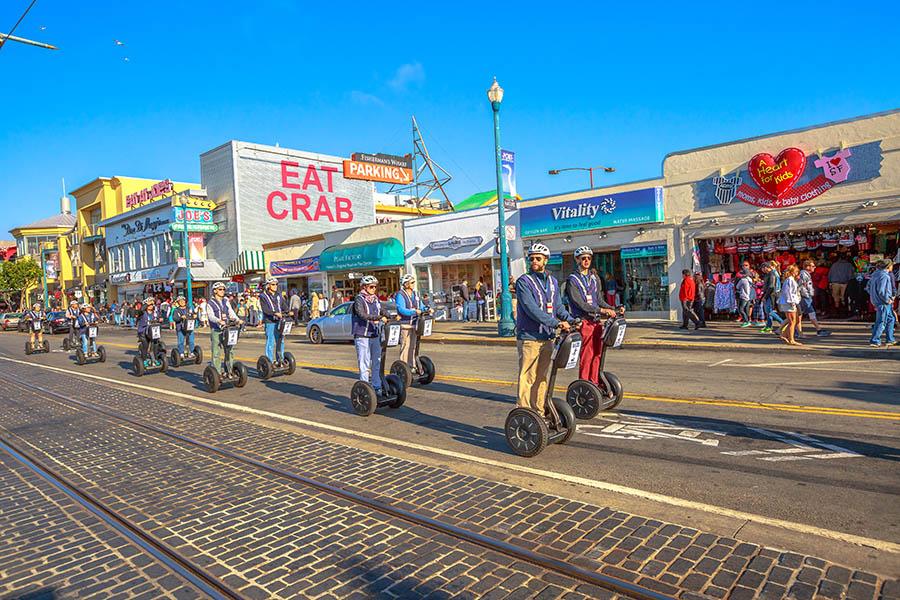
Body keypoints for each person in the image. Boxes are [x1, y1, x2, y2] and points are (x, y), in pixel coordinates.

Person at [515, 243, 572, 415]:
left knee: (542, 377)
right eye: (531, 258)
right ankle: (524, 413)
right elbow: (531, 309)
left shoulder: (553, 282)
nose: (534, 261)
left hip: (548, 337)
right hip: (530, 337)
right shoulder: (524, 282)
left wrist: (572, 319)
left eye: (538, 258)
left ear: (545, 261)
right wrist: (556, 323)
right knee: (528, 377)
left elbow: (558, 307)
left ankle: (538, 411)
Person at [565, 246, 620, 384]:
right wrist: (602, 311)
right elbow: (580, 303)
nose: (586, 261)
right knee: (586, 355)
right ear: (577, 259)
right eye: (583, 258)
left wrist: (613, 308)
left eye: (589, 258)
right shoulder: (572, 280)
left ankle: (594, 382)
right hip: (584, 321)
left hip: (596, 322)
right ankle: (584, 384)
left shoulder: (594, 278)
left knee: (597, 353)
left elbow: (599, 300)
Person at [352, 275, 393, 395]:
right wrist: (380, 318)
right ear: (364, 287)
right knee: (364, 363)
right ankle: (365, 388)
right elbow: (362, 314)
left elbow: (382, 310)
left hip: (374, 334)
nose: (374, 289)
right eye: (371, 287)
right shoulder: (359, 299)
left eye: (375, 287)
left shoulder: (375, 299)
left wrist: (390, 316)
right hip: (362, 335)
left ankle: (376, 386)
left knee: (376, 362)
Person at [206, 282, 243, 374]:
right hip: (216, 330)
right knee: (216, 352)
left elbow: (231, 312)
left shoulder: (225, 301)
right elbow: (210, 316)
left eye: (223, 289)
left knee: (229, 350)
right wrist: (218, 320)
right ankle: (217, 373)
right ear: (215, 291)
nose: (222, 291)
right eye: (220, 289)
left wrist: (238, 320)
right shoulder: (210, 303)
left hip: (227, 329)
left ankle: (229, 371)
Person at [396, 274, 430, 368]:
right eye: (412, 282)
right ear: (406, 284)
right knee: (405, 347)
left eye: (414, 282)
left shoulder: (415, 294)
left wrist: (427, 309)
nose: (414, 284)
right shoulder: (400, 295)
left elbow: (421, 306)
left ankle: (412, 366)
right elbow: (401, 309)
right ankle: (403, 367)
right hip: (405, 325)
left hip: (415, 324)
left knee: (413, 346)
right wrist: (414, 312)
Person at [867, 259, 896, 347]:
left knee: (891, 319)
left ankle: (890, 339)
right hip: (883, 302)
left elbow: (868, 287)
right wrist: (887, 299)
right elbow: (882, 291)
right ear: (888, 266)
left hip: (878, 300)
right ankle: (875, 340)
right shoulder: (884, 276)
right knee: (881, 321)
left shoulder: (875, 274)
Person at [797, 259, 830, 338]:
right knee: (810, 313)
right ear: (807, 267)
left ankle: (794, 331)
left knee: (799, 315)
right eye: (812, 266)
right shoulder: (803, 275)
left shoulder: (806, 274)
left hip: (805, 297)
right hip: (804, 297)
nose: (814, 267)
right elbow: (801, 287)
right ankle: (818, 330)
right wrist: (807, 295)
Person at [260, 277, 288, 363]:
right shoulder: (263, 296)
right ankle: (270, 362)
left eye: (276, 284)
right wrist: (275, 313)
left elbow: (284, 306)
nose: (275, 286)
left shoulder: (279, 295)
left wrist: (288, 312)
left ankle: (281, 359)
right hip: (270, 322)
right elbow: (265, 310)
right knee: (270, 342)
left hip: (279, 321)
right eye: (273, 284)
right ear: (268, 286)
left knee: (280, 340)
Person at [778, 264, 802, 346]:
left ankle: (785, 335)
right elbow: (788, 292)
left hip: (787, 302)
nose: (797, 273)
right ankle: (791, 339)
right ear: (792, 272)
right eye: (796, 271)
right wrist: (791, 302)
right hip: (789, 302)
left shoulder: (789, 280)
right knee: (792, 321)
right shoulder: (790, 280)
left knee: (792, 321)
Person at [136, 297, 163, 362]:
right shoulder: (142, 313)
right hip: (143, 332)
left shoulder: (155, 313)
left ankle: (155, 359)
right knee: (145, 345)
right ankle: (144, 360)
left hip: (153, 332)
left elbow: (159, 317)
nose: (151, 306)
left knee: (155, 344)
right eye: (149, 305)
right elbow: (140, 310)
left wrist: (160, 319)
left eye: (151, 305)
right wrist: (146, 304)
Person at [760, 262, 784, 333]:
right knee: (768, 311)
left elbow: (771, 286)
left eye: (763, 268)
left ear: (766, 267)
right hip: (769, 294)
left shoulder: (772, 274)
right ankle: (768, 326)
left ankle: (783, 323)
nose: (762, 270)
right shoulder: (769, 274)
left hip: (771, 295)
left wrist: (765, 296)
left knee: (769, 311)